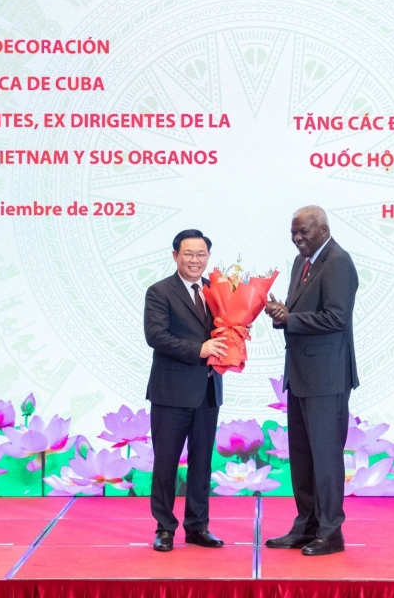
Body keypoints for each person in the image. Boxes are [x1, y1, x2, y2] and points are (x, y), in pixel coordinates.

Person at [263, 206, 359, 556]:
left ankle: (330, 532)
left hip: (328, 378)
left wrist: (291, 318)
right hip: (301, 375)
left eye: (304, 231)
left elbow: (336, 318)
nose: (298, 238)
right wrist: (281, 315)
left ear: (323, 230)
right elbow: (300, 313)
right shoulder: (300, 262)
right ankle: (306, 526)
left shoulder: (338, 261)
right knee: (303, 457)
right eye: (294, 232)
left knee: (326, 458)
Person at [143, 229, 229, 552]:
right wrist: (200, 349)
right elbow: (156, 336)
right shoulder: (160, 292)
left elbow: (224, 329)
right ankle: (164, 528)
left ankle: (197, 527)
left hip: (207, 391)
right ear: (175, 255)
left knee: (202, 463)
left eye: (201, 254)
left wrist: (237, 333)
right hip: (172, 392)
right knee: (166, 464)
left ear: (208, 257)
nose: (195, 260)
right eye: (189, 254)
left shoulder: (216, 291)